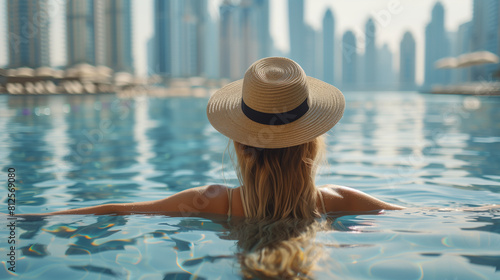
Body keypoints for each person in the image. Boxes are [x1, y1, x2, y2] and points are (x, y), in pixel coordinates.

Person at [31, 57, 404, 218]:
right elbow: (432, 215)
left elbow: (118, 210)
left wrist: (21, 217)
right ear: (313, 141)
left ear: (240, 144)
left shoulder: (211, 202)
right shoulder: (340, 202)